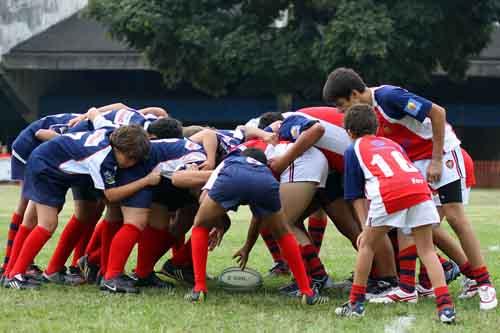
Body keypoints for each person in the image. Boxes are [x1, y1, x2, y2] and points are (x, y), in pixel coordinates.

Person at [323, 67, 497, 311]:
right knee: (415, 224)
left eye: (342, 106)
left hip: (441, 152)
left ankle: (483, 283)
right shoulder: (366, 117)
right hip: (415, 163)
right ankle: (407, 289)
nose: (342, 112)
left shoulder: (388, 97)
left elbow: (437, 113)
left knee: (456, 217)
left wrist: (436, 159)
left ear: (354, 94)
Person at [334, 104, 456, 323]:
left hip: (390, 192)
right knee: (427, 250)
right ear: (377, 127)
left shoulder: (353, 149)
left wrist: (364, 228)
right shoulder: (392, 144)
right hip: (420, 188)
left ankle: (355, 303)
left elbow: (354, 195)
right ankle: (446, 308)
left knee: (367, 245)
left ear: (349, 132)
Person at [172, 148, 328, 305]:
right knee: (284, 233)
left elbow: (204, 198)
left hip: (233, 175)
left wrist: (214, 221)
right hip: (265, 181)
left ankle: (199, 288)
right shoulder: (264, 169)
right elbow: (258, 218)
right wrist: (247, 246)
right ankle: (307, 292)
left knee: (200, 225)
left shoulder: (230, 160)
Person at [5, 124, 150, 289]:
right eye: (131, 158)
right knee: (47, 224)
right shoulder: (101, 157)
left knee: (40, 221)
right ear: (121, 149)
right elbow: (111, 195)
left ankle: (13, 273)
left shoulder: (110, 132)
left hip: (50, 165)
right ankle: (15, 275)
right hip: (46, 169)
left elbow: (95, 113)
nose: (132, 163)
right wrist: (146, 181)